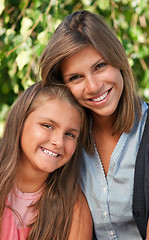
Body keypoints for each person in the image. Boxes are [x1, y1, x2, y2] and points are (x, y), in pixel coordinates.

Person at [39, 10, 149, 240]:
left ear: (118, 60)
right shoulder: (62, 143)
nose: (93, 86)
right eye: (76, 77)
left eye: (99, 66)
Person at [0, 81, 93, 240]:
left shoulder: (74, 209)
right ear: (21, 121)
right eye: (48, 126)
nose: (59, 142)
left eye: (70, 134)